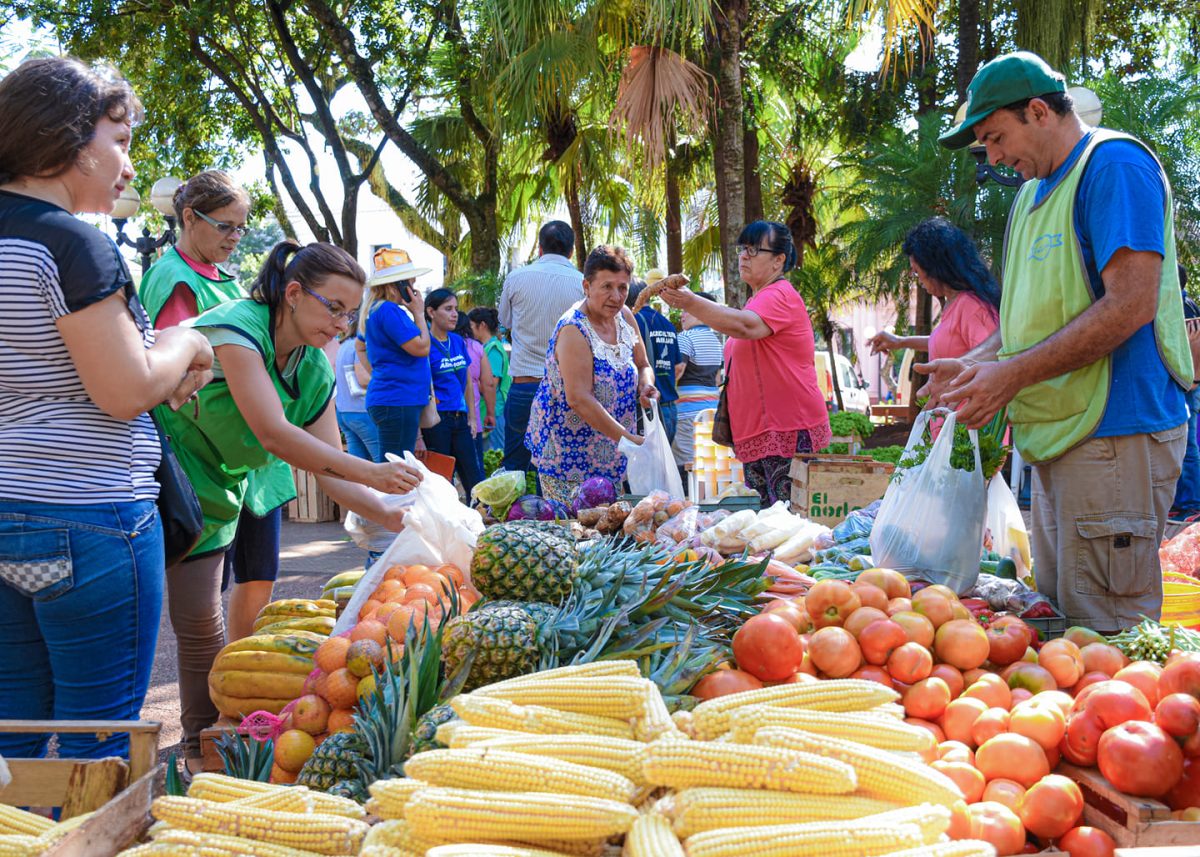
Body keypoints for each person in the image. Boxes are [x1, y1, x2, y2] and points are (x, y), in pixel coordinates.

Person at [926, 50, 1192, 632]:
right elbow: (1023, 325)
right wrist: (972, 365)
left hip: (1116, 435)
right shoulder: (1027, 200)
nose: (993, 157)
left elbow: (1130, 304)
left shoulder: (1114, 166)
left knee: (1107, 633)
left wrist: (1011, 375)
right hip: (1059, 440)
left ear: (1040, 111)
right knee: (1070, 626)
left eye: (996, 138)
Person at [0, 57, 214, 761]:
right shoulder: (69, 242)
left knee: (14, 741)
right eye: (118, 138)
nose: (126, 161)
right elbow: (123, 389)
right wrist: (184, 344)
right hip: (91, 517)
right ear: (68, 137)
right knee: (101, 744)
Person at [160, 240, 422, 767]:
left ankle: (206, 743)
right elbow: (274, 434)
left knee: (203, 615)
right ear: (295, 293)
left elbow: (330, 470)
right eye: (335, 307)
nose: (343, 325)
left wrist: (396, 516)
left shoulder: (315, 371)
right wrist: (373, 471)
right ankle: (190, 748)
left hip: (224, 485)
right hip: (162, 474)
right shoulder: (237, 328)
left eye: (351, 314)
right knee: (187, 617)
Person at [139, 171, 284, 644]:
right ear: (188, 217)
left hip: (248, 459)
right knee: (204, 607)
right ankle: (212, 709)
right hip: (206, 460)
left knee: (259, 574)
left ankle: (242, 682)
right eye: (225, 226)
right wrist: (262, 433)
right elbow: (184, 388)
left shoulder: (225, 278)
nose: (236, 238)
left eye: (241, 227)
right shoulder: (173, 278)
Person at [660, 221, 830, 506]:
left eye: (754, 249)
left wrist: (689, 302)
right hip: (760, 434)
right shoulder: (759, 300)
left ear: (779, 260)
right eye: (742, 249)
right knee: (770, 524)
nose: (744, 256)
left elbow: (744, 327)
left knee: (787, 524)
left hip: (785, 429)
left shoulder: (780, 295)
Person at [526, 245, 658, 506]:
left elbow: (643, 364)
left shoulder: (625, 318)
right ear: (586, 286)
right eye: (606, 287)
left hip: (613, 453)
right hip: (568, 458)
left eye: (622, 288)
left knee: (609, 533)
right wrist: (629, 439)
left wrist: (646, 385)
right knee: (577, 535)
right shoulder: (574, 329)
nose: (616, 296)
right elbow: (579, 399)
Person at [867, 216, 1004, 444]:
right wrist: (900, 342)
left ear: (934, 267)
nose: (915, 277)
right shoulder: (954, 303)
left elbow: (992, 357)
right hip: (950, 427)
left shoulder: (971, 306)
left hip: (967, 433)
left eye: (916, 270)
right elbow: (947, 342)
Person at [498, 221, 584, 472]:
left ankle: (516, 512)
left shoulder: (516, 278)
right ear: (571, 251)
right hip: (566, 391)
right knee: (562, 467)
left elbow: (505, 321)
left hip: (525, 385)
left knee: (515, 467)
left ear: (539, 249)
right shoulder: (583, 284)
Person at [360, 248, 432, 459]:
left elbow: (359, 345)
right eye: (409, 283)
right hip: (398, 399)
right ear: (397, 285)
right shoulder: (389, 311)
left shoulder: (375, 310)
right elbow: (422, 347)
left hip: (392, 397)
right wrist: (419, 312)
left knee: (393, 463)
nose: (413, 288)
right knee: (396, 467)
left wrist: (378, 372)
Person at [423, 289, 484, 495]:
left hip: (462, 418)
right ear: (431, 312)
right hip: (437, 421)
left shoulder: (457, 341)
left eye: (456, 309)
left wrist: (473, 418)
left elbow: (467, 380)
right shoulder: (424, 345)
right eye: (448, 309)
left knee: (474, 477)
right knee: (442, 481)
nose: (455, 314)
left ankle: (481, 520)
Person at [672, 292, 724, 482]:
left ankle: (688, 505)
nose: (682, 315)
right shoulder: (717, 342)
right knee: (706, 465)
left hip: (687, 414)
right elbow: (717, 379)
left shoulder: (685, 338)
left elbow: (678, 370)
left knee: (685, 464)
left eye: (687, 310)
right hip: (711, 411)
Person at [629, 271, 684, 443]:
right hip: (669, 407)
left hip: (647, 409)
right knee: (663, 467)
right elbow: (678, 366)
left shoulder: (632, 321)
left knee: (645, 468)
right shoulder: (667, 323)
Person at [1170, 263, 1200, 522]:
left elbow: (1197, 346)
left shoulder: (1185, 308)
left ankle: (1192, 503)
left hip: (1188, 385)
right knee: (1179, 444)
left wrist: (1194, 380)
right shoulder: (1179, 304)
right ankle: (1182, 502)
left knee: (1188, 446)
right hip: (1184, 383)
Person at [456, 310, 497, 475]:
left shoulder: (438, 345)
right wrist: (491, 413)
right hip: (473, 420)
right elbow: (489, 384)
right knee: (475, 471)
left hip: (444, 417)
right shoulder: (476, 347)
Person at [469, 307, 511, 452]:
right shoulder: (485, 347)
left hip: (494, 411)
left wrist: (470, 381)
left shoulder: (493, 349)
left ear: (482, 325)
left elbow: (491, 383)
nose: (469, 330)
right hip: (486, 411)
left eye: (471, 326)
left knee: (495, 454)